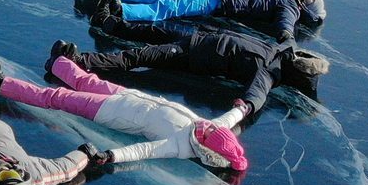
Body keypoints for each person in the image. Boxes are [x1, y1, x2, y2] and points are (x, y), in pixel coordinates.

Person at [0, 54, 249, 175]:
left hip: (110, 112)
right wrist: (242, 108)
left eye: (207, 132)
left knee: (57, 98)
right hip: (129, 96)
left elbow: (143, 151)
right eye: (211, 127)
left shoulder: (180, 145)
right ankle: (56, 62)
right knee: (87, 80)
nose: (206, 125)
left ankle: (0, 84)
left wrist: (111, 155)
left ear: (206, 147)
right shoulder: (208, 128)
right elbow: (228, 119)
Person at [54, 31, 329, 125]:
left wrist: (240, 110)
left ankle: (76, 61)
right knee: (145, 48)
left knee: (136, 58)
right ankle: (112, 24)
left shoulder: (270, 69)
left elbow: (256, 93)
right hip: (200, 41)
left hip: (194, 54)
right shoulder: (282, 54)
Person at [94, 0, 327, 43]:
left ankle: (121, 11)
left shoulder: (290, 7)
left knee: (168, 8)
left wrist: (286, 37)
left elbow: (285, 24)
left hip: (215, 0)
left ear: (307, 7)